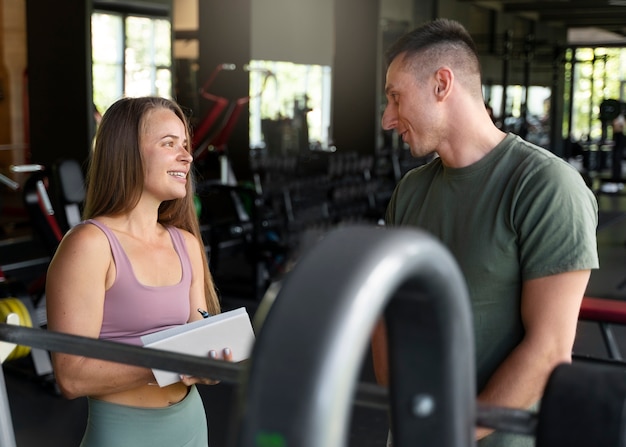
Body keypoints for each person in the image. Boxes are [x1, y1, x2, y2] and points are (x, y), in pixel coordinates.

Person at [371, 18, 598, 447]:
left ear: (442, 84)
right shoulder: (411, 190)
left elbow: (549, 350)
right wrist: (401, 413)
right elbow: (389, 317)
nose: (388, 118)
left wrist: (450, 432)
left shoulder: (546, 187)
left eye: (396, 98)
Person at [46, 96, 231, 447]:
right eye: (169, 144)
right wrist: (168, 364)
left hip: (191, 423)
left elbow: (196, 339)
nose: (187, 156)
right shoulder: (90, 245)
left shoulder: (185, 243)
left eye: (186, 145)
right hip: (124, 432)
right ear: (128, 152)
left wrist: (211, 362)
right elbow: (71, 376)